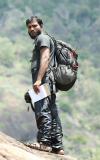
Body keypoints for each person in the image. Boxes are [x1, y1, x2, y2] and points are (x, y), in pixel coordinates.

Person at [26, 16, 64, 155]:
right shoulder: (45, 39)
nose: (32, 29)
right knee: (53, 113)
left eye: (34, 26)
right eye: (29, 27)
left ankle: (44, 143)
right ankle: (58, 146)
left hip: (44, 81)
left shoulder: (42, 39)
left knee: (42, 109)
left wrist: (39, 80)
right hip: (50, 83)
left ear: (41, 26)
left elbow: (45, 57)